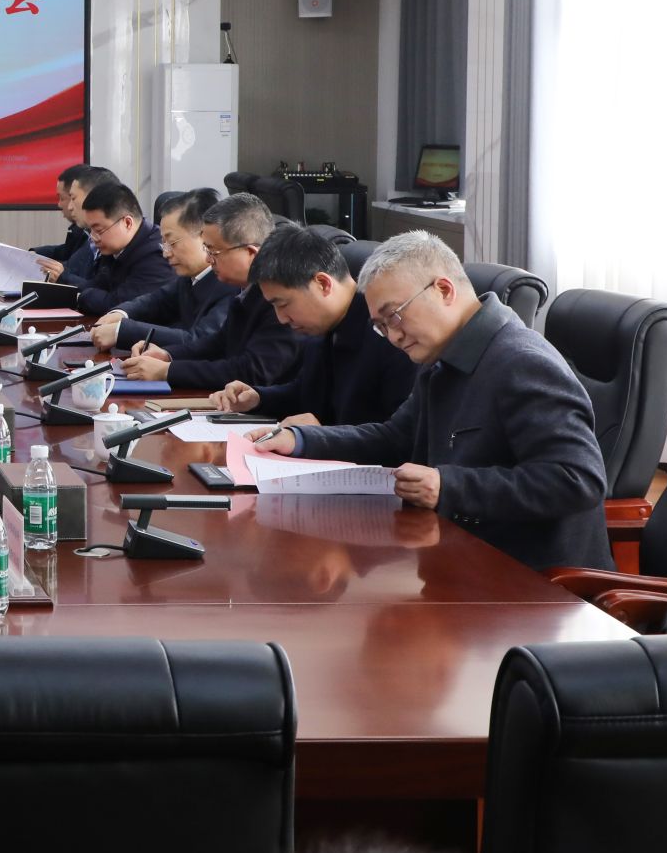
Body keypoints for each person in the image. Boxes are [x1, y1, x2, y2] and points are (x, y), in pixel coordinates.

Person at [246, 230, 609, 571]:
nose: (392, 337)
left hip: (531, 581)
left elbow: (578, 480)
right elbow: (395, 438)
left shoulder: (522, 363)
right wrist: (300, 440)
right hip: (460, 558)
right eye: (381, 326)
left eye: (394, 316)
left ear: (443, 290)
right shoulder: (443, 357)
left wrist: (448, 486)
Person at [210, 224, 417, 427]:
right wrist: (258, 398)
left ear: (323, 284)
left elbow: (396, 435)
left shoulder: (388, 334)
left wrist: (320, 436)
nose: (281, 319)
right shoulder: (325, 328)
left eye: (283, 304)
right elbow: (305, 392)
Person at [118, 193, 302, 391]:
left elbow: (252, 372)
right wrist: (167, 355)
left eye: (214, 252)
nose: (208, 259)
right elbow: (218, 344)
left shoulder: (280, 300)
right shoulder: (247, 289)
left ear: (251, 253)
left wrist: (167, 371)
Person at [91, 188, 232, 355]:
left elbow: (200, 340)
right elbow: (156, 302)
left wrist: (120, 332)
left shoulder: (230, 283)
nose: (166, 253)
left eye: (172, 243)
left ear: (205, 237)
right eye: (163, 243)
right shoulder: (190, 277)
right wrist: (121, 313)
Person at [66, 180, 175, 319]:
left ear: (127, 223)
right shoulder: (115, 247)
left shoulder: (157, 256)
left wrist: (81, 296)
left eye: (98, 230)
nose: (93, 238)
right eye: (90, 230)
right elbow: (97, 286)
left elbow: (119, 305)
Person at [31, 164, 97, 271]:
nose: (60, 205)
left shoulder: (98, 237)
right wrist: (35, 254)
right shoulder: (81, 229)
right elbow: (68, 252)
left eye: (62, 198)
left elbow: (75, 268)